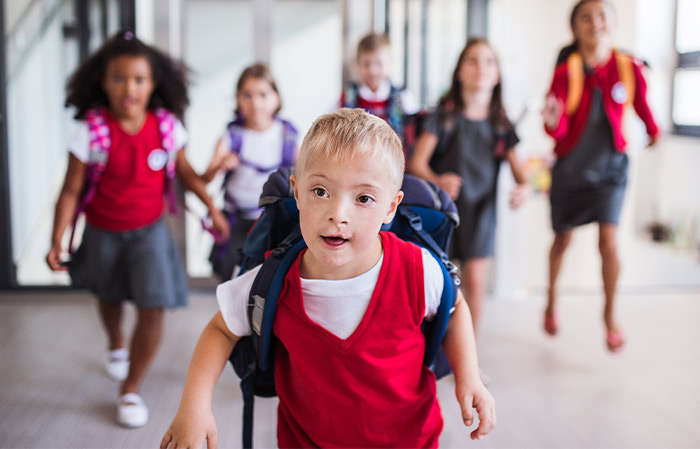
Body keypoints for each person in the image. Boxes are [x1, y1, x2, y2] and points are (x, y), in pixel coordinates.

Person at [160, 108, 495, 448]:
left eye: (363, 198)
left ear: (390, 208)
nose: (338, 214)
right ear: (297, 191)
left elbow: (455, 309)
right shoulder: (273, 280)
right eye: (320, 191)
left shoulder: (417, 269)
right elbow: (221, 329)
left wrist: (468, 376)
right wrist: (194, 405)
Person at [45, 31, 229, 428]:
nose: (129, 88)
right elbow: (70, 191)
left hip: (149, 232)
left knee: (153, 306)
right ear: (103, 82)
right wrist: (57, 239)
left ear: (153, 84)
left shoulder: (166, 128)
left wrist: (212, 207)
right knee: (109, 297)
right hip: (102, 232)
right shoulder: (90, 131)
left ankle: (130, 388)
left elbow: (186, 175)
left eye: (139, 79)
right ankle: (115, 341)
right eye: (119, 78)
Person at [541, 0, 660, 352]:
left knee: (608, 241)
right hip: (571, 172)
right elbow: (558, 128)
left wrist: (654, 131)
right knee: (562, 241)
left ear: (614, 23)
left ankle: (609, 315)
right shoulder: (567, 71)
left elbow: (641, 105)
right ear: (575, 29)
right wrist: (551, 121)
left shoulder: (628, 67)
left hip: (612, 170)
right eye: (586, 17)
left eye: (602, 15)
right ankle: (551, 300)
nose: (596, 23)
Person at [409, 38, 530, 339]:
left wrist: (524, 189)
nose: (481, 68)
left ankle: (468, 354)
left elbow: (521, 174)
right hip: (443, 212)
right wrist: (438, 180)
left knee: (475, 281)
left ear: (498, 74)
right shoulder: (444, 117)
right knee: (439, 281)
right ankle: (430, 345)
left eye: (489, 61)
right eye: (472, 60)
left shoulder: (501, 124)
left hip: (482, 210)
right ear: (460, 72)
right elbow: (417, 163)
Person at [202, 63, 298, 281]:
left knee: (271, 278)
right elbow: (204, 178)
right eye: (248, 95)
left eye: (263, 94)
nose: (255, 102)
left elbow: (305, 176)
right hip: (236, 220)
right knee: (230, 281)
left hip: (274, 221)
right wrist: (220, 164)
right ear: (238, 99)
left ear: (277, 98)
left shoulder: (288, 136)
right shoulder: (231, 136)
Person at [340, 32, 420, 151]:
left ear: (390, 64)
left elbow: (415, 135)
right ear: (358, 64)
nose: (373, 70)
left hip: (394, 162)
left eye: (379, 64)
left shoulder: (403, 97)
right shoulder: (347, 97)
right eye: (366, 64)